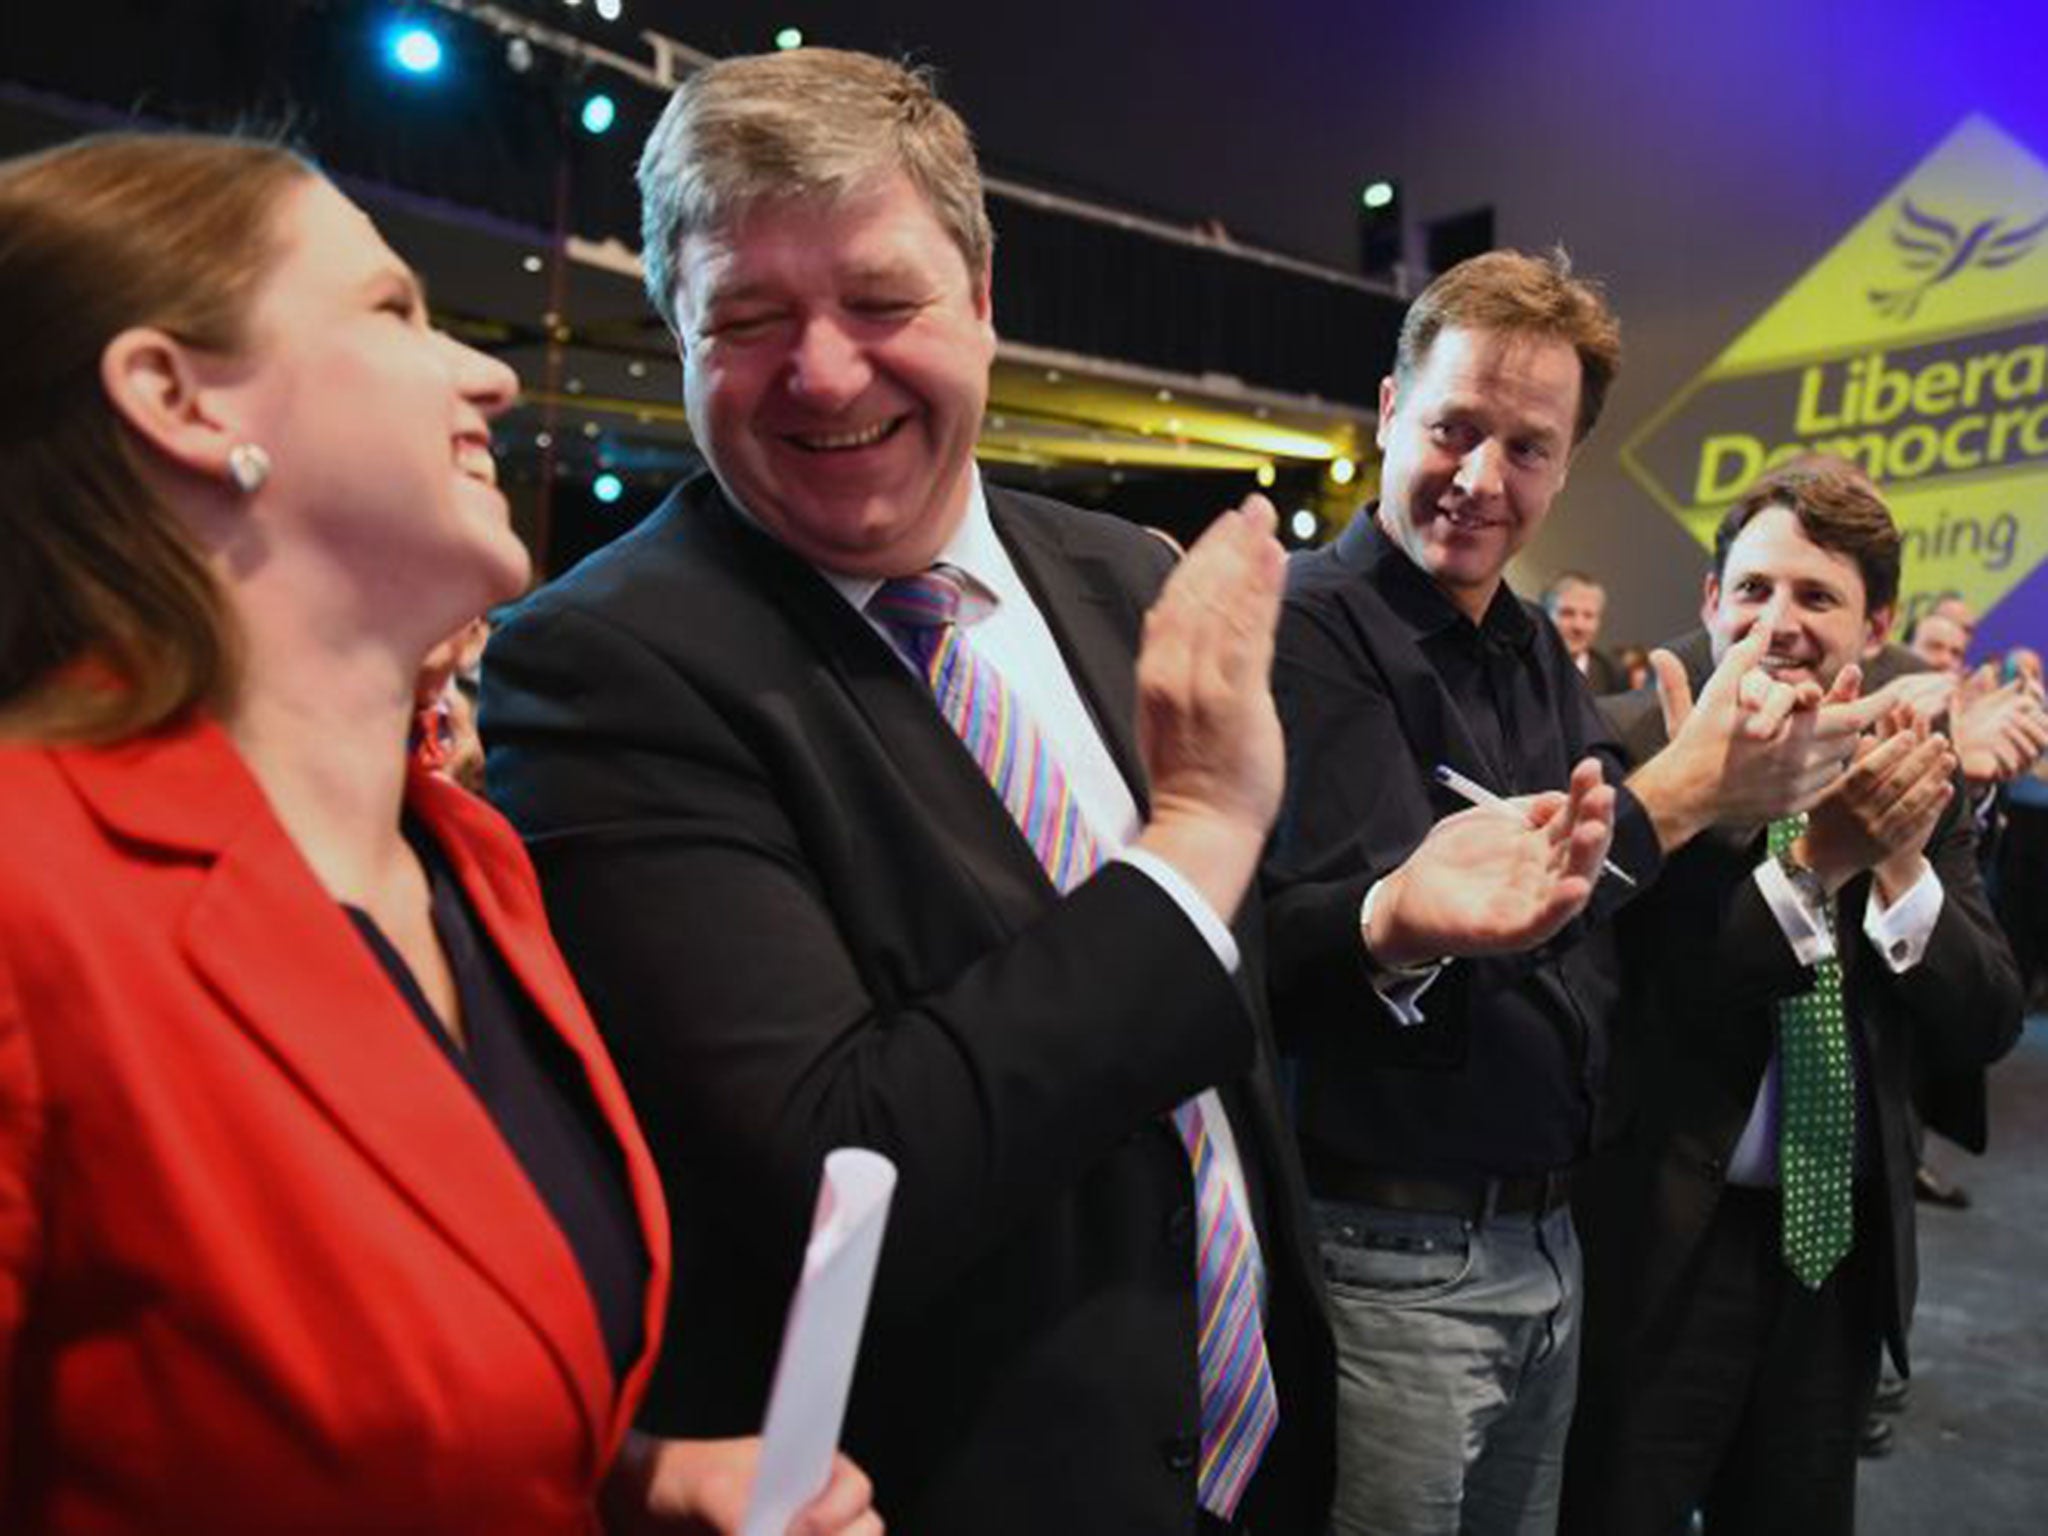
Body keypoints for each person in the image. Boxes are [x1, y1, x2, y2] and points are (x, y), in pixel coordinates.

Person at [481, 48, 1334, 1536]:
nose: (821, 372)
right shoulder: (602, 665)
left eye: (881, 304)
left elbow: (1208, 1024)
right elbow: (840, 1172)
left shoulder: (1130, 579)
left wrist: (1380, 922)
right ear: (679, 334)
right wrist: (1198, 834)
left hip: (1252, 1455)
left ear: (985, 302)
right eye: (747, 320)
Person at [0, 131, 876, 1536]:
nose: (490, 370)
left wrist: (635, 1483)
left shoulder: (471, 869)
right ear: (172, 396)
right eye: (395, 311)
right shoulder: (30, 890)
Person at [1261, 249, 1872, 1536]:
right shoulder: (1307, 631)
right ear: (1386, 412)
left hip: (1548, 1248)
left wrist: (1745, 812)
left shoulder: (1529, 644)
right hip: (1386, 1257)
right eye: (1452, 429)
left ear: (1565, 464)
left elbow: (1598, 906)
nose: (1482, 479)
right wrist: (1693, 782)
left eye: (1526, 449)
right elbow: (1336, 930)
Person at [1564, 460, 2023, 1535]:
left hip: (1832, 1265)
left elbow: (1986, 1015)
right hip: (1650, 1259)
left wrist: (1897, 864)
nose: (1777, 623)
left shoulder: (1913, 766)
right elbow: (1650, 995)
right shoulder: (1629, 745)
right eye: (1753, 590)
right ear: (1707, 602)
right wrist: (1819, 862)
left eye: (1815, 597)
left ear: (1876, 623)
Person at [1543, 571, 1626, 694]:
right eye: (1567, 613)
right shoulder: (1520, 670)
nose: (1579, 626)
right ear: (1543, 616)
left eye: (1588, 616)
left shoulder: (1613, 674)